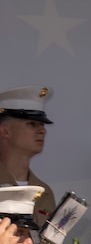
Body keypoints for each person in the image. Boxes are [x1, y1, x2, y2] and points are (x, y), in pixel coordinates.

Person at [0, 87, 56, 231]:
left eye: (42, 124)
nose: (42, 130)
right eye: (31, 124)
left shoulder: (44, 192)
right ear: (5, 131)